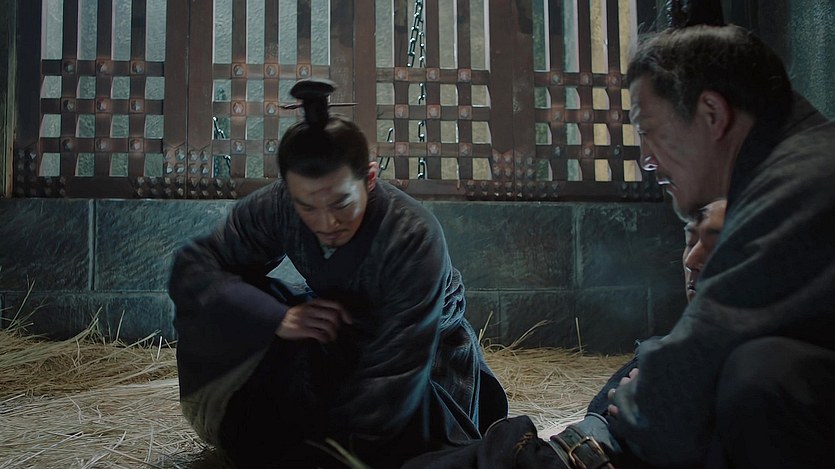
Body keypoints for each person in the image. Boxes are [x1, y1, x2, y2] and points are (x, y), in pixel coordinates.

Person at [407, 23, 835, 469]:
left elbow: (705, 347)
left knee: (760, 370)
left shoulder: (803, 183)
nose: (646, 160)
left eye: (648, 131)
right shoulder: (794, 170)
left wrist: (635, 403)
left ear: (712, 113)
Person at [168, 78, 507, 468]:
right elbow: (196, 266)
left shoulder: (413, 235)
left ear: (370, 178)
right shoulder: (280, 203)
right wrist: (276, 318)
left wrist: (334, 453)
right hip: (333, 338)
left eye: (342, 203)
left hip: (420, 356)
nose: (326, 223)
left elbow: (396, 374)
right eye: (307, 207)